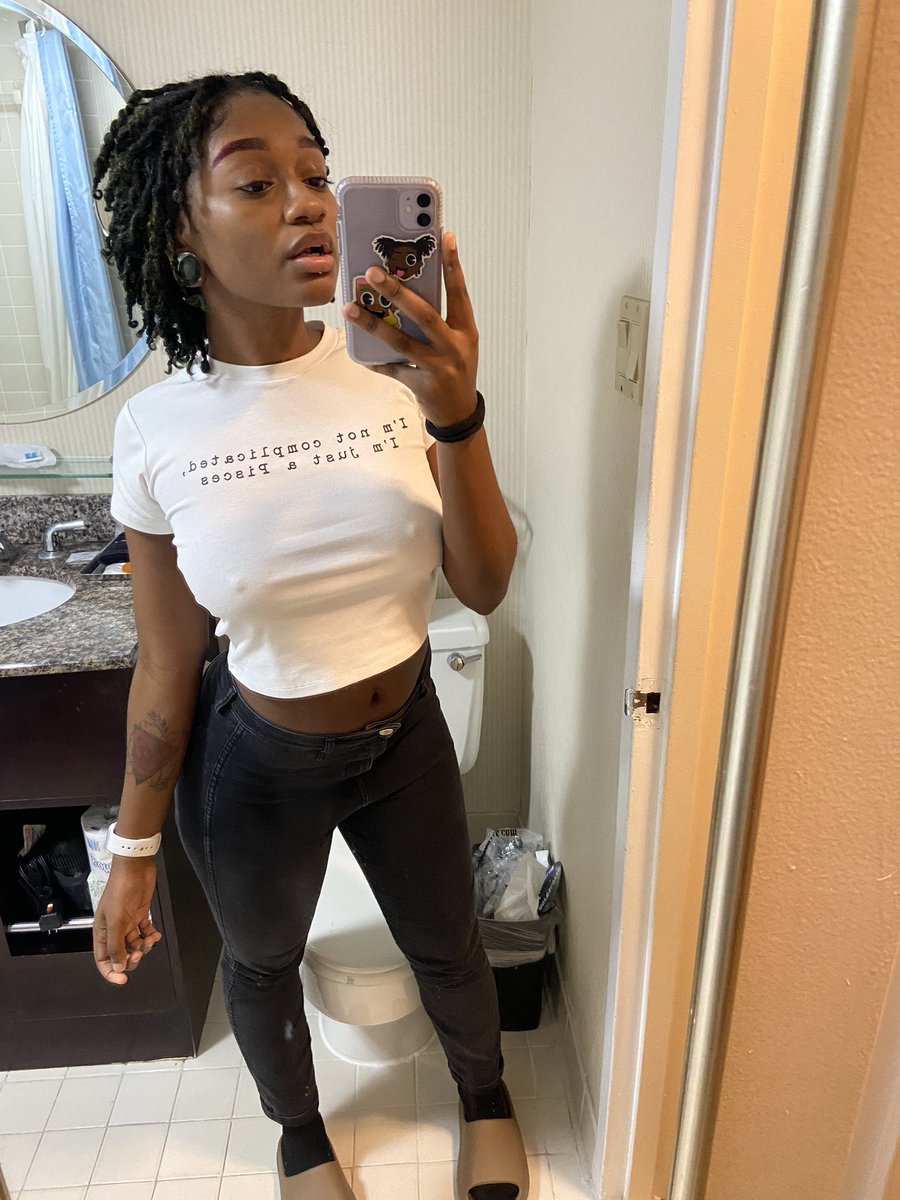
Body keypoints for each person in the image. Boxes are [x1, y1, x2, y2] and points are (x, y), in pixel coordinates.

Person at [90, 72, 526, 1200]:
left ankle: (486, 1099)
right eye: (257, 183)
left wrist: (457, 406)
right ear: (180, 230)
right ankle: (301, 1139)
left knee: (449, 946)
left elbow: (483, 585)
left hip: (407, 735)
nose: (310, 203)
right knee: (263, 961)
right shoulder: (156, 429)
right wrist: (131, 854)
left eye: (318, 176)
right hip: (257, 765)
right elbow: (166, 659)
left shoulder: (392, 371)